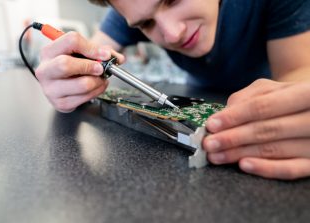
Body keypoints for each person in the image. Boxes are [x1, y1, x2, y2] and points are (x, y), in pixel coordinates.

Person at [35, 0, 310, 180]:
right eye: (147, 24)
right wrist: (67, 78)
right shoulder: (131, 7)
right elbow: (82, 59)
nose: (172, 33)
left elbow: (298, 76)